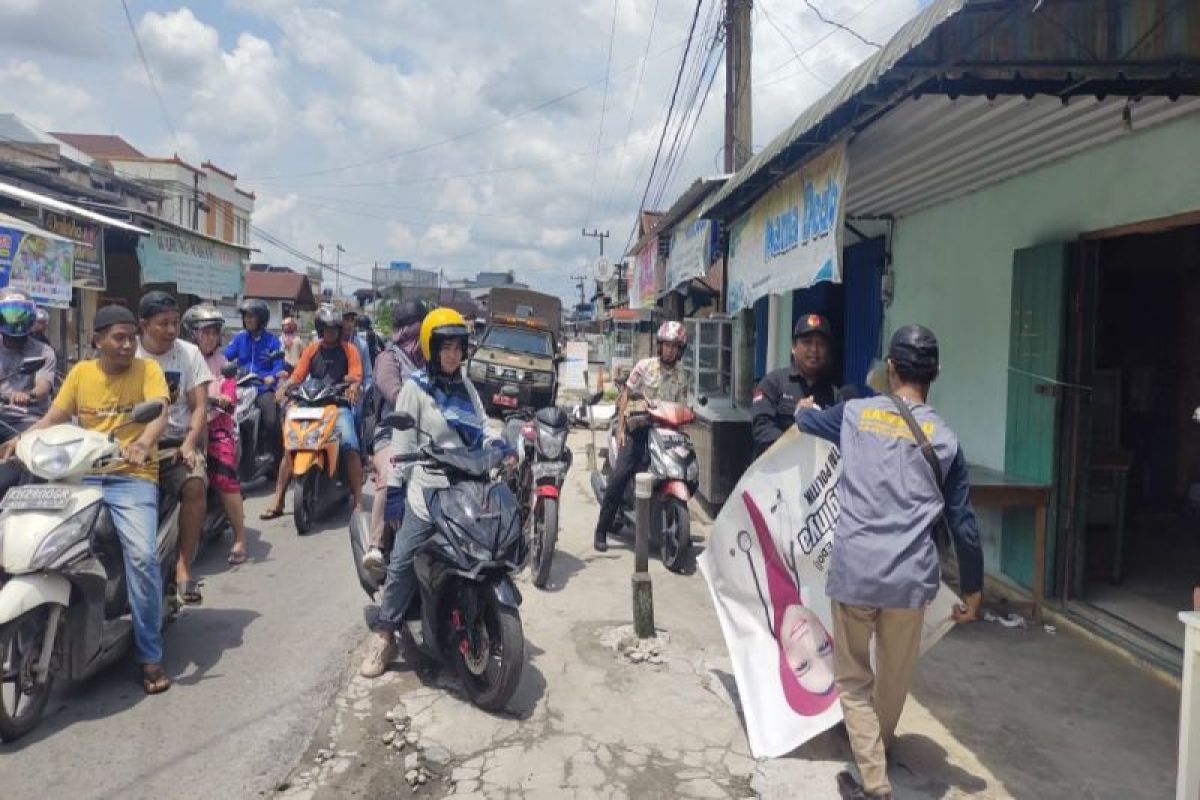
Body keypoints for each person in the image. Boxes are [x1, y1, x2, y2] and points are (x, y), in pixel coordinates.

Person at [795, 324, 984, 800]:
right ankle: (875, 751)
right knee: (893, 682)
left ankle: (874, 785)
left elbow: (806, 424)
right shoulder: (946, 439)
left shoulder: (855, 413)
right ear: (935, 373)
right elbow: (963, 523)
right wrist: (974, 589)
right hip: (909, 581)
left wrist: (801, 411)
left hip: (855, 572)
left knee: (854, 680)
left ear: (891, 369)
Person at [3, 305, 171, 693]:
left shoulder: (148, 371)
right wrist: (23, 439)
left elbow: (159, 413)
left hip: (131, 477)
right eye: (119, 337)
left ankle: (150, 655)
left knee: (142, 558)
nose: (128, 345)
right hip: (82, 474)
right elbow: (55, 416)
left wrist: (144, 442)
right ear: (97, 340)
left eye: (131, 337)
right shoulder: (81, 373)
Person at [360, 307, 498, 678]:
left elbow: (484, 426)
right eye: (445, 347)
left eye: (458, 347)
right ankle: (386, 634)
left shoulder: (467, 388)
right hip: (427, 490)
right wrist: (395, 496)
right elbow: (402, 448)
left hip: (465, 487)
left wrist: (503, 446)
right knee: (403, 559)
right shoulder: (415, 389)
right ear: (431, 348)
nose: (453, 354)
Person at [136, 292, 212, 606]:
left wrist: (190, 444)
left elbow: (198, 406)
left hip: (175, 444)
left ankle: (183, 566)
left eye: (174, 323)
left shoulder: (189, 353)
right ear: (144, 325)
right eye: (162, 323)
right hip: (133, 447)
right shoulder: (131, 354)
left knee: (195, 483)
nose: (170, 330)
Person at [593, 320, 691, 552]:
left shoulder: (684, 376)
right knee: (620, 475)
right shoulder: (645, 367)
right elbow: (626, 395)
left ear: (680, 350)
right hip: (639, 429)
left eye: (675, 346)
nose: (670, 350)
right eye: (666, 345)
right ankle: (601, 529)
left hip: (666, 432)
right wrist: (620, 430)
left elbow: (683, 405)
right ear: (659, 346)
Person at [261, 304, 364, 519]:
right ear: (320, 328)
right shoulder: (311, 349)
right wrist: (285, 386)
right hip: (311, 402)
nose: (331, 333)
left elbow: (356, 374)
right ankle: (278, 498)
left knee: (350, 446)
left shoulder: (350, 350)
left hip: (338, 404)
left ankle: (359, 500)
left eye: (335, 329)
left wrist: (353, 387)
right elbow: (298, 375)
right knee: (291, 445)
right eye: (327, 329)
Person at [361, 299, 428, 577]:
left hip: (428, 432)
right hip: (392, 430)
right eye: (414, 332)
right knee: (392, 474)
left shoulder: (433, 359)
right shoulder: (387, 358)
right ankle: (376, 544)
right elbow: (397, 397)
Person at [183, 304, 249, 566]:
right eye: (205, 332)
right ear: (192, 334)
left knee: (223, 477)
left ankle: (240, 537)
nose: (211, 337)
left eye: (214, 332)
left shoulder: (222, 363)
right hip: (182, 427)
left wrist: (222, 399)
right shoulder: (181, 358)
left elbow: (230, 394)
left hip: (217, 426)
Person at [752, 314, 838, 458]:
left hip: (816, 477)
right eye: (807, 342)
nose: (814, 350)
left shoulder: (834, 394)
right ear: (793, 347)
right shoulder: (773, 383)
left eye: (821, 344)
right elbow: (761, 428)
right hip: (776, 472)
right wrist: (796, 437)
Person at [0, 291, 57, 497]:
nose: (15, 322)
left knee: (33, 455)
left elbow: (43, 386)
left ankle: (24, 501)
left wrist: (29, 395)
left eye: (20, 315)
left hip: (27, 418)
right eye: (9, 315)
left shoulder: (43, 351)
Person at [224, 298, 289, 460]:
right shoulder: (239, 339)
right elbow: (225, 357)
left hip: (261, 389)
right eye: (246, 316)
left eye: (252, 316)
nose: (248, 320)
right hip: (240, 386)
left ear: (261, 319)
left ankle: (276, 458)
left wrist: (272, 376)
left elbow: (278, 364)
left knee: (271, 420)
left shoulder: (272, 341)